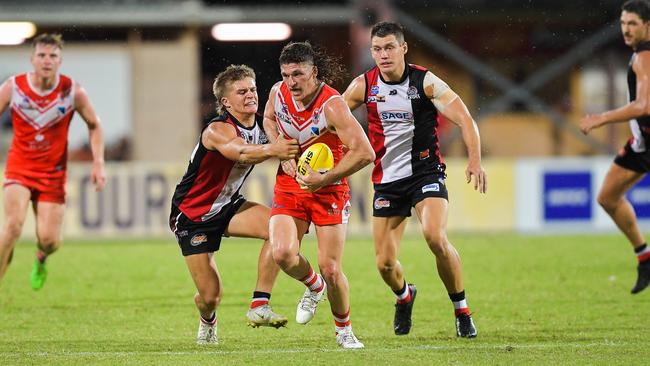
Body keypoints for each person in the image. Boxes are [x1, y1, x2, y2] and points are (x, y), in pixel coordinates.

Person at [343, 22, 487, 338]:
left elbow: (465, 118)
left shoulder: (425, 82)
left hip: (425, 173)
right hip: (386, 181)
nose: (383, 55)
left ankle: (461, 311)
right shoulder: (363, 86)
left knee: (435, 236)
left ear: (403, 48)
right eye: (377, 49)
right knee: (383, 264)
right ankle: (405, 296)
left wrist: (474, 159)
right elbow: (334, 118)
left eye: (390, 47)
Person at [169, 64, 299, 345]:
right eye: (242, 92)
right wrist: (273, 150)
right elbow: (237, 151)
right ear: (226, 102)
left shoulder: (263, 126)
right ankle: (207, 319)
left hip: (228, 206)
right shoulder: (217, 129)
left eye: (253, 89)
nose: (251, 95)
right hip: (194, 215)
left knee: (279, 226)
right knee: (210, 296)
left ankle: (259, 305)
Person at [263, 42, 375, 349]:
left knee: (332, 268)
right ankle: (314, 287)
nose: (291, 82)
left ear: (314, 71)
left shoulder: (333, 105)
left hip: (328, 189)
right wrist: (279, 150)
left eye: (298, 74)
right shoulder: (278, 92)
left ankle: (344, 330)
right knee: (282, 253)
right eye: (286, 74)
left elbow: (365, 153)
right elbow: (269, 119)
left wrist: (324, 177)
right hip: (289, 184)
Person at [0, 33, 106, 290]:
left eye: (52, 56)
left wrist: (98, 163)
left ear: (60, 61)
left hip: (53, 173)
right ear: (32, 59)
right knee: (12, 226)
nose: (47, 60)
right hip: (19, 167)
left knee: (49, 241)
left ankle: (41, 256)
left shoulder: (72, 91)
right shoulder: (13, 87)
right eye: (42, 55)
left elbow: (94, 124)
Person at [580, 0, 650, 294]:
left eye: (633, 23)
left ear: (648, 26)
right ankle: (644, 257)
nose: (626, 29)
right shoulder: (639, 54)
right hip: (642, 144)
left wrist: (602, 118)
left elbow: (644, 105)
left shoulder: (644, 56)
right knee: (608, 197)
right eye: (623, 23)